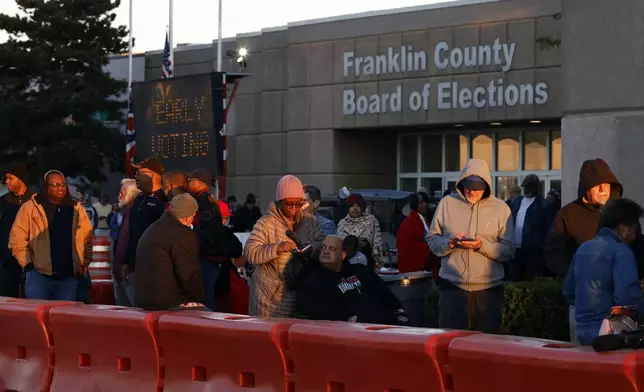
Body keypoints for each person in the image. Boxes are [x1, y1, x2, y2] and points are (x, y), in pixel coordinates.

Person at [427, 159, 515, 333]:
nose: (471, 191)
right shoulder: (447, 203)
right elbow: (432, 239)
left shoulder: (501, 209)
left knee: (484, 347)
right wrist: (449, 243)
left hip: (487, 291)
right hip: (452, 288)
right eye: (468, 185)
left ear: (487, 186)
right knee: (450, 344)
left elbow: (509, 250)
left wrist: (481, 245)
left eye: (477, 187)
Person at [563, 198, 644, 345]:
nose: (636, 231)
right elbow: (627, 297)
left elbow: (569, 290)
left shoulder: (583, 248)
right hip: (610, 334)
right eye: (635, 226)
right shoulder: (622, 252)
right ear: (622, 228)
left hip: (580, 330)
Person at [243, 175, 324, 317]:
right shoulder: (266, 223)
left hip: (301, 293)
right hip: (270, 299)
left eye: (298, 204)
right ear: (280, 202)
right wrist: (276, 248)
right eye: (289, 204)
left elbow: (322, 242)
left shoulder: (309, 221)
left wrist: (312, 247)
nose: (294, 208)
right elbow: (250, 251)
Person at [9, 170, 93, 301]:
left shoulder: (76, 208)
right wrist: (28, 265)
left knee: (63, 319)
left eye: (62, 184)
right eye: (54, 185)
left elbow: (87, 236)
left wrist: (84, 263)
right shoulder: (30, 207)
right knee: (36, 319)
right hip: (38, 277)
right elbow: (17, 239)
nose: (60, 188)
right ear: (46, 187)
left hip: (68, 278)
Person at [295, 235, 409, 325]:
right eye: (323, 247)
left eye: (332, 248)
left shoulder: (360, 271)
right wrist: (348, 318)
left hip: (382, 326)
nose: (325, 251)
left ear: (343, 255)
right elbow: (312, 309)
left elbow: (385, 293)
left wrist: (399, 312)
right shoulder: (312, 280)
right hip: (347, 333)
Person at [134, 193, 206, 311]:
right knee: (209, 316)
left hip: (143, 300)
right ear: (188, 216)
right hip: (168, 302)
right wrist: (198, 300)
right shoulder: (182, 234)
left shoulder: (154, 228)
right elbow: (189, 274)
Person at [122, 158, 167, 304]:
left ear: (152, 175)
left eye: (139, 173)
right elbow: (133, 234)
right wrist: (127, 261)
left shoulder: (164, 200)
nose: (135, 177)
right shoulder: (138, 200)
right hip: (136, 264)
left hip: (155, 267)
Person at [187, 168, 227, 311]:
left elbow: (206, 232)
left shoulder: (203, 203)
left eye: (191, 180)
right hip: (208, 256)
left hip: (206, 258)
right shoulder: (206, 201)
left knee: (205, 296)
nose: (188, 183)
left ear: (200, 183)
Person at [509, 175, 553, 281]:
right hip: (515, 249)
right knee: (514, 278)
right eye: (525, 187)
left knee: (531, 279)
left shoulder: (544, 205)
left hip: (533, 251)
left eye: (529, 187)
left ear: (535, 188)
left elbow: (549, 228)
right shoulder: (516, 202)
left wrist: (540, 245)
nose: (526, 189)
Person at [0, 163, 35, 297]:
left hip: (31, 263)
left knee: (32, 302)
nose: (6, 182)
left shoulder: (35, 200)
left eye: (10, 178)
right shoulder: (3, 202)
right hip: (7, 262)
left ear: (21, 179)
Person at [111, 179, 140, 307]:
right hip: (120, 273)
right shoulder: (126, 213)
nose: (119, 195)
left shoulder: (136, 212)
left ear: (132, 193)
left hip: (128, 273)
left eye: (122, 192)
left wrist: (128, 263)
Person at [337, 193, 384, 269]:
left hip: (366, 260)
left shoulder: (369, 220)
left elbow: (365, 243)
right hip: (345, 261)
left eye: (358, 206)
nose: (355, 208)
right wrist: (355, 242)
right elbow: (340, 242)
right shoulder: (342, 223)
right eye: (352, 206)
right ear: (348, 208)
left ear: (362, 208)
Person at [397, 191, 439, 276]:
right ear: (415, 204)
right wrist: (429, 248)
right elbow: (405, 248)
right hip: (416, 269)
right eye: (421, 202)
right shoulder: (408, 223)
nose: (425, 205)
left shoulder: (426, 220)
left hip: (428, 268)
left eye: (425, 202)